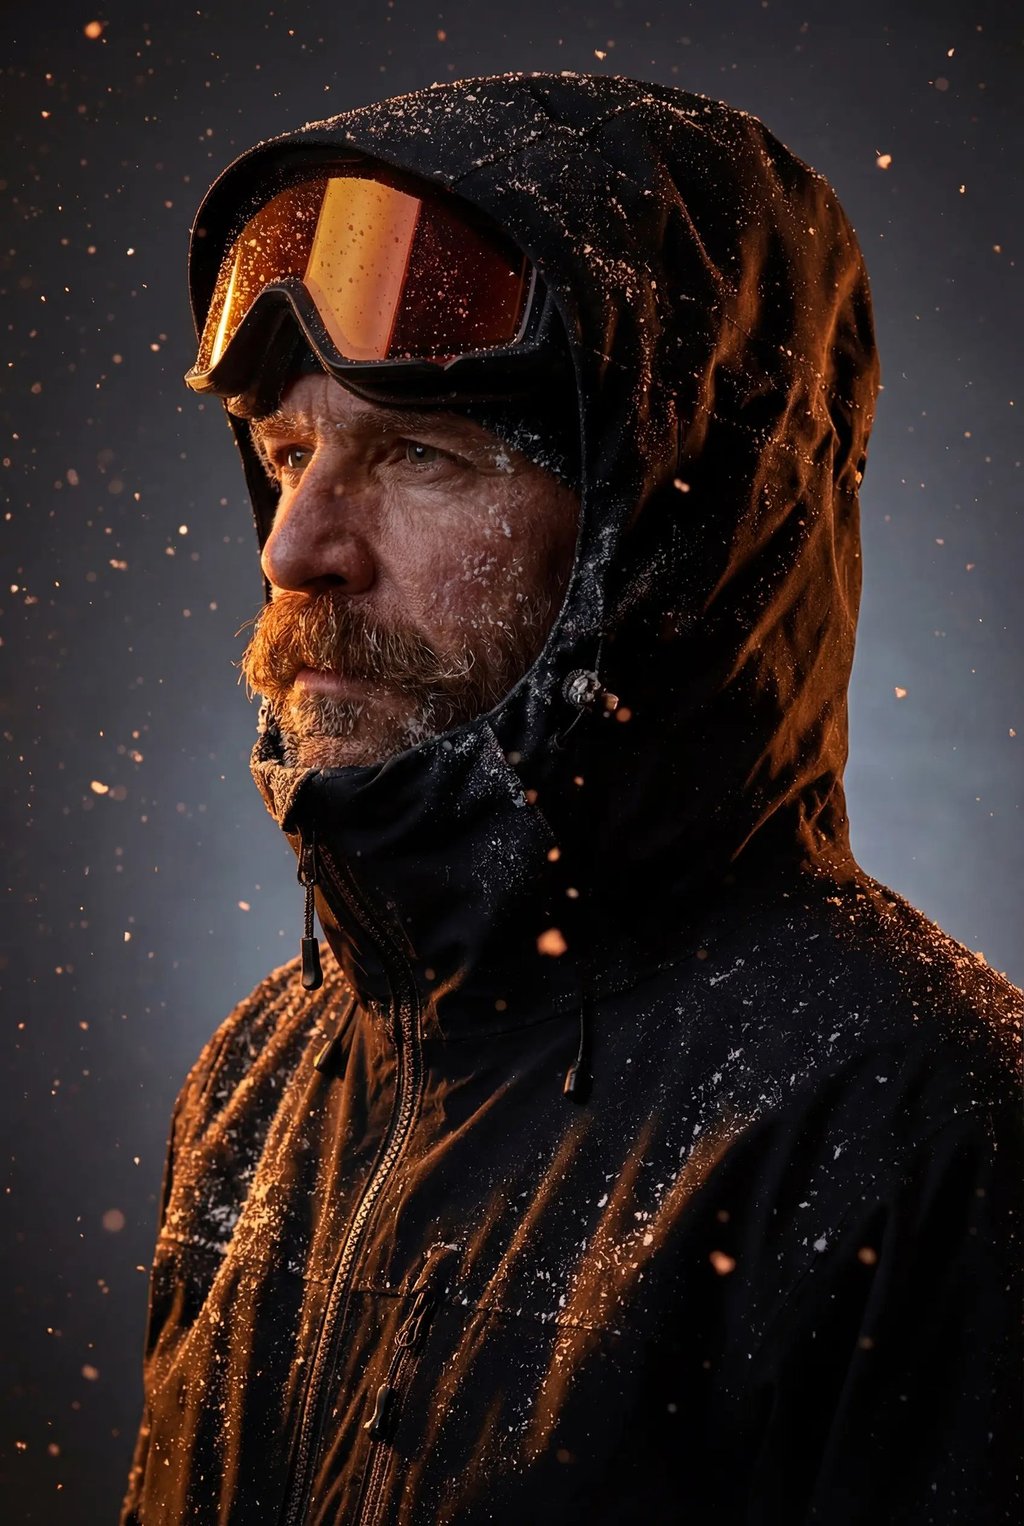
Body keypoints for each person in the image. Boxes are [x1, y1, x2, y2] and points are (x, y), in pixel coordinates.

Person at [122, 71, 1022, 1525]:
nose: (298, 547)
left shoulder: (924, 1131)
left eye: (420, 453)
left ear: (670, 537)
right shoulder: (254, 1086)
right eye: (289, 455)